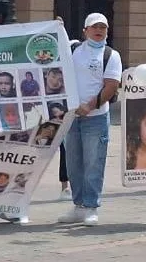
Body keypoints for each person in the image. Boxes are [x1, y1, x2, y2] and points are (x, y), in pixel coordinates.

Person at [58, 12, 121, 227]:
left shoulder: (111, 55)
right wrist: (57, 27)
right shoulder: (74, 49)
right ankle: (78, 206)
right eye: (95, 27)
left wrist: (90, 106)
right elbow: (54, 47)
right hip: (72, 117)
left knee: (94, 162)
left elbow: (111, 86)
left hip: (95, 117)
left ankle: (91, 206)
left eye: (103, 27)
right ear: (85, 30)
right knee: (73, 162)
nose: (99, 31)